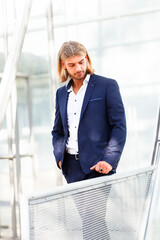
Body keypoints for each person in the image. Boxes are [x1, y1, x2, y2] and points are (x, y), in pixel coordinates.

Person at [51, 41, 126, 239]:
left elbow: (119, 126)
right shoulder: (61, 94)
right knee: (93, 223)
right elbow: (57, 131)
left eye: (81, 62)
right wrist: (60, 157)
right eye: (72, 65)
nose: (79, 69)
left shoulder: (106, 86)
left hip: (98, 166)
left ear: (87, 59)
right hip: (71, 167)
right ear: (63, 65)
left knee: (92, 220)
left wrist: (109, 161)